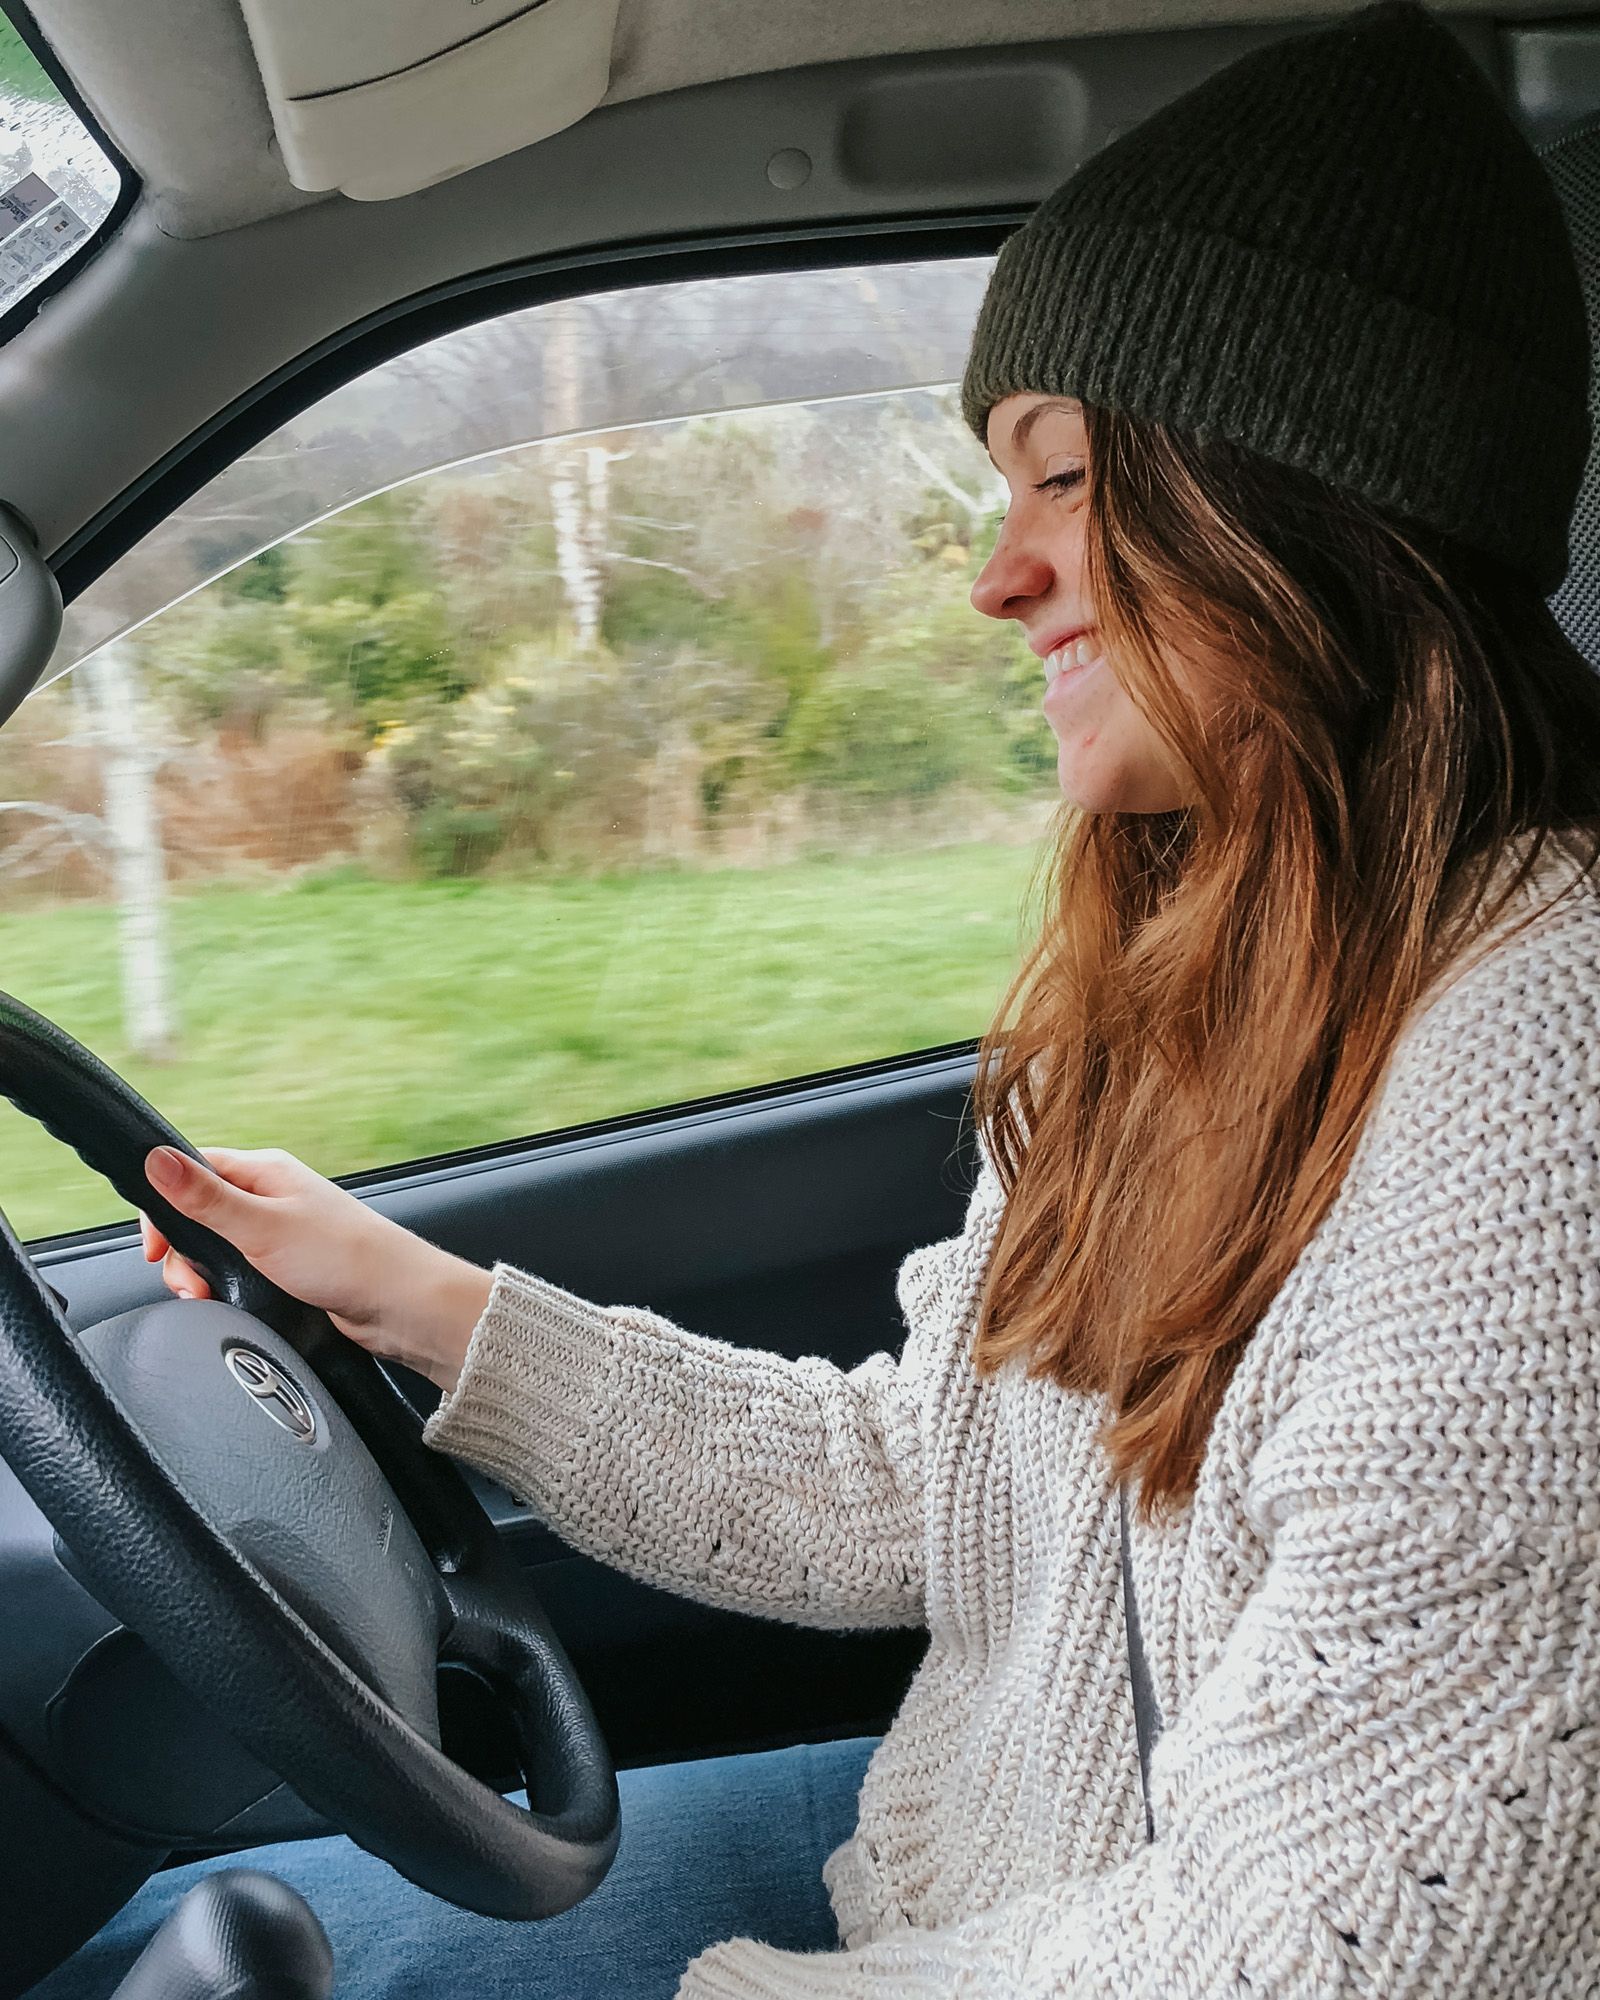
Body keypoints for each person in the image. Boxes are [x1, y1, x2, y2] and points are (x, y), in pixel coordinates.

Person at [38, 2, 1600, 1994]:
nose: (994, 578)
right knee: (184, 1942)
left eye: (1061, 481)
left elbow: (1317, 1950)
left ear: (1289, 495)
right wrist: (409, 1299)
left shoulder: (1536, 1095)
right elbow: (909, 1490)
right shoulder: (1180, 976)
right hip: (954, 1880)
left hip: (1126, 1950)